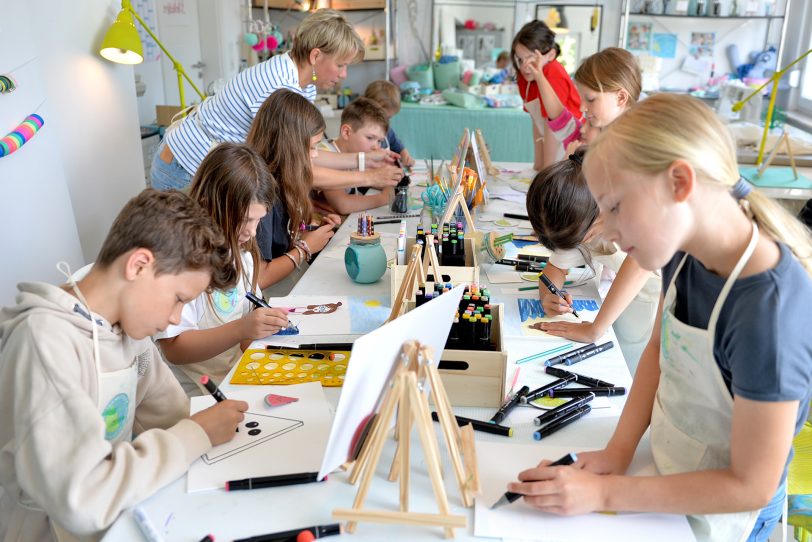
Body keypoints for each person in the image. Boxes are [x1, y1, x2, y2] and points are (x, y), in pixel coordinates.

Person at [509, 94, 812, 542]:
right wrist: (618, 450)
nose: (608, 232)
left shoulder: (768, 312)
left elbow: (750, 485)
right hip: (667, 468)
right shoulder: (683, 250)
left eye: (614, 208)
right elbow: (657, 349)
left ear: (679, 184)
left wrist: (606, 494)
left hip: (722, 514)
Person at [0, 189, 248, 541]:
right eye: (178, 300)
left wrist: (208, 430)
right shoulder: (43, 340)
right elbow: (81, 498)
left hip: (116, 519)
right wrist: (196, 434)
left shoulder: (129, 332)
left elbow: (174, 418)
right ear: (139, 265)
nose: (174, 319)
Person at [150, 8, 401, 192]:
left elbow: (305, 154)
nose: (344, 74)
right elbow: (296, 171)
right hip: (184, 167)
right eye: (341, 65)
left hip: (211, 164)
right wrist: (370, 177)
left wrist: (366, 160)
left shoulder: (304, 86)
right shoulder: (278, 87)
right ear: (316, 56)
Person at [155, 143, 290, 395]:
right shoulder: (182, 262)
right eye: (246, 219)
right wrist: (242, 329)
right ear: (209, 204)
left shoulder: (243, 255)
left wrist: (263, 329)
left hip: (237, 378)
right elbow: (174, 348)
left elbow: (250, 316)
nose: (252, 231)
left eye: (259, 220)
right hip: (199, 395)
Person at [526, 147, 660, 372]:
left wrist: (595, 329)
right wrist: (549, 295)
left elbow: (638, 263)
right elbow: (555, 268)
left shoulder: (638, 200)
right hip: (631, 297)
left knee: (644, 367)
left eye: (581, 238)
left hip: (669, 297)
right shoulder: (580, 203)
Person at [247, 89, 339, 294]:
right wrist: (304, 249)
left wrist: (309, 235)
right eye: (313, 147)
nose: (315, 155)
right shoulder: (259, 191)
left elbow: (279, 243)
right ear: (291, 146)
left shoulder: (282, 180)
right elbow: (259, 278)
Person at [529, 47, 641, 156]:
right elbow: (559, 116)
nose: (582, 108)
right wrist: (539, 76)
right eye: (582, 99)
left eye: (591, 99)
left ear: (621, 98)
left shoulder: (638, 149)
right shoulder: (584, 141)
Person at [511, 19, 582, 170]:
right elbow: (537, 122)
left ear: (549, 55)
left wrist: (546, 170)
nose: (524, 66)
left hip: (571, 139)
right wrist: (538, 164)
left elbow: (552, 123)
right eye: (520, 59)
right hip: (551, 137)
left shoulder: (552, 72)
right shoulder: (524, 78)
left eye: (531, 58)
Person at [317, 97, 394, 214]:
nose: (376, 147)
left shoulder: (355, 153)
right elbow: (343, 205)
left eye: (379, 141)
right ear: (346, 132)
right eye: (370, 138)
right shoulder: (327, 154)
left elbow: (375, 180)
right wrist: (384, 197)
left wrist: (389, 177)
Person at [363, 80, 415, 168]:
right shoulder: (361, 131)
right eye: (382, 117)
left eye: (388, 118)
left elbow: (398, 146)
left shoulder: (387, 130)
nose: (385, 121)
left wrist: (406, 156)